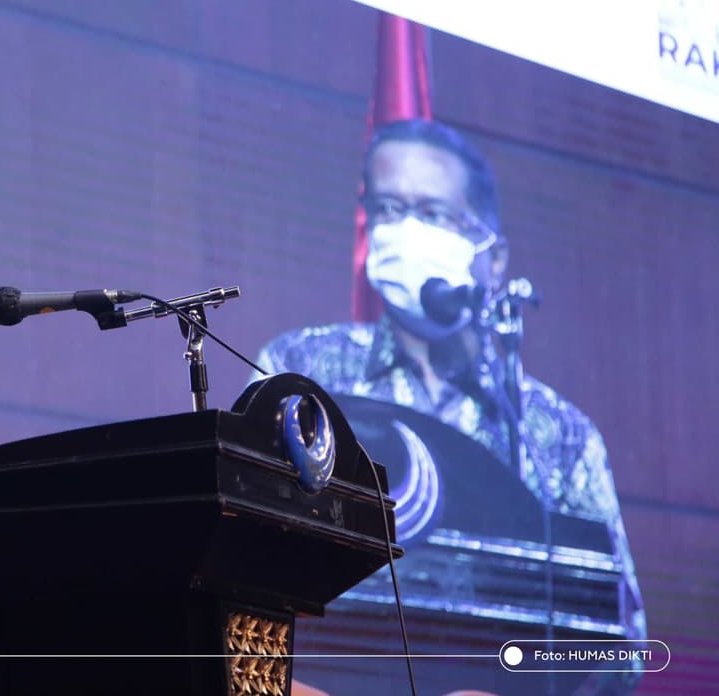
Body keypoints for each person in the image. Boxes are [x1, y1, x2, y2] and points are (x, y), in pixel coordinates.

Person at [257, 119, 644, 694]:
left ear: (493, 257)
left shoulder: (557, 436)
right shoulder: (305, 371)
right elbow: (240, 563)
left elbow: (627, 644)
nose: (406, 230)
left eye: (435, 214)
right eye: (389, 208)